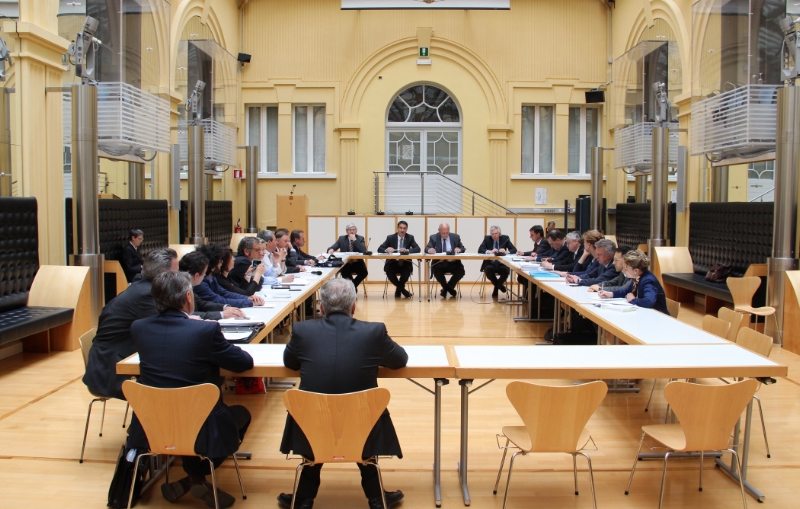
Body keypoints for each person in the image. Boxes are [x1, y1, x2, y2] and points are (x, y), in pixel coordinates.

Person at [126, 271, 254, 509]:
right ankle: (196, 477)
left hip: (153, 421)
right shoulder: (205, 331)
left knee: (185, 418)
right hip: (200, 422)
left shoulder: (139, 328)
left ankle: (192, 479)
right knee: (241, 415)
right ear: (188, 297)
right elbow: (243, 363)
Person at [277, 278, 407, 509]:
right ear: (354, 306)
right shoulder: (374, 332)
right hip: (362, 421)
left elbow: (290, 362)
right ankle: (376, 498)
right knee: (362, 413)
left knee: (317, 415)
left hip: (312, 421)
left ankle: (304, 499)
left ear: (321, 307)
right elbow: (400, 360)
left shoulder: (302, 331)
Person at [599, 249, 670, 315]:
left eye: (625, 269)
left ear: (636, 270)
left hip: (657, 316)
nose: (623, 271)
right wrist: (611, 294)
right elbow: (626, 291)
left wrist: (633, 300)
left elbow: (649, 301)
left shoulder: (648, 280)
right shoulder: (637, 277)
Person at [179, 251, 246, 320]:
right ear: (196, 275)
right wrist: (222, 314)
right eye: (204, 272)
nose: (205, 275)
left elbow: (201, 303)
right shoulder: (181, 289)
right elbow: (187, 315)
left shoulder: (188, 286)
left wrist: (224, 307)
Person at [195, 244, 265, 308]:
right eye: (220, 262)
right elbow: (219, 300)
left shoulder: (212, 278)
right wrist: (249, 302)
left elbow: (225, 293)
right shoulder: (201, 283)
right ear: (213, 266)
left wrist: (247, 298)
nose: (221, 264)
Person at [377, 220, 421, 298]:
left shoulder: (410, 237)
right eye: (400, 228)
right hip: (392, 263)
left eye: (404, 228)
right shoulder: (390, 237)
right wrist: (387, 250)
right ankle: (403, 290)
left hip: (405, 262)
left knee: (406, 273)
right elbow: (380, 249)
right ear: (397, 228)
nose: (402, 230)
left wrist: (407, 250)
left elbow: (417, 249)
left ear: (406, 229)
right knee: (389, 272)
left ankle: (398, 290)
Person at [426, 222, 466, 298]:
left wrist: (459, 249)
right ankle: (450, 289)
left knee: (461, 271)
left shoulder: (455, 237)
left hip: (453, 263)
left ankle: (446, 289)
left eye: (447, 233)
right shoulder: (433, 237)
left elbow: (463, 248)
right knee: (437, 271)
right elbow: (427, 248)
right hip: (439, 263)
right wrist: (430, 250)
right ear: (439, 230)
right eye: (443, 233)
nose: (445, 235)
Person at [478, 225, 517, 298]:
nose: (494, 236)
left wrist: (506, 251)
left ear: (499, 233)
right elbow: (480, 249)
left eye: (496, 234)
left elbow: (514, 250)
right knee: (488, 269)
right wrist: (489, 251)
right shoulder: (487, 239)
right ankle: (500, 286)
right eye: (492, 234)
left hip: (501, 263)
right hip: (490, 263)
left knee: (505, 270)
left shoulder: (505, 238)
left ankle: (496, 287)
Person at [328, 223, 369, 289]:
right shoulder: (342, 238)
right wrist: (331, 249)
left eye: (353, 229)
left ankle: (352, 287)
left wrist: (355, 240)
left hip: (357, 262)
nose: (352, 231)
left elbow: (364, 250)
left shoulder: (360, 238)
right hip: (346, 263)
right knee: (345, 273)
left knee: (364, 272)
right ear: (347, 231)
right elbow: (334, 246)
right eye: (350, 230)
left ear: (356, 231)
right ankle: (352, 289)